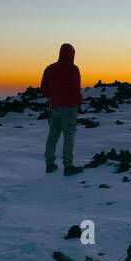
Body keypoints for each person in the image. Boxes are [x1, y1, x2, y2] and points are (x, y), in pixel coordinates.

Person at [40, 42, 83, 175]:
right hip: (69, 109)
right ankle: (68, 166)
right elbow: (75, 90)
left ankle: (49, 164)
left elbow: (44, 89)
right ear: (72, 54)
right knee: (68, 138)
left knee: (52, 136)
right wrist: (79, 102)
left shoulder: (50, 68)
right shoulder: (73, 69)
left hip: (54, 108)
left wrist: (53, 97)